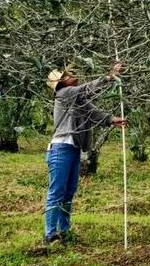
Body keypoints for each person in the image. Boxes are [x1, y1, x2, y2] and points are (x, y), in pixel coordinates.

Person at [42, 63, 126, 246]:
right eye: (67, 75)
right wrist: (110, 76)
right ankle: (49, 234)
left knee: (69, 192)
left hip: (73, 149)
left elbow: (92, 112)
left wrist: (112, 120)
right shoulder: (65, 94)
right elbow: (87, 89)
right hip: (60, 148)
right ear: (62, 82)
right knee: (56, 192)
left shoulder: (76, 99)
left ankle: (63, 231)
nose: (72, 75)